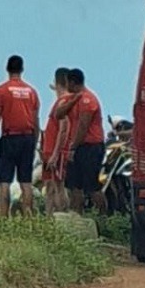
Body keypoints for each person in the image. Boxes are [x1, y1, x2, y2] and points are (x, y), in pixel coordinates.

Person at [0, 55, 40, 216]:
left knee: (4, 181)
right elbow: (36, 121)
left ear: (7, 69)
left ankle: (4, 217)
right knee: (26, 181)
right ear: (22, 69)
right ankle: (28, 217)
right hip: (28, 138)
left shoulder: (1, 91)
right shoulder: (32, 92)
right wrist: (34, 142)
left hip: (10, 137)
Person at [55, 69, 106, 213]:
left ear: (72, 82)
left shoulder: (88, 99)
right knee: (73, 184)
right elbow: (58, 114)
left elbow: (83, 127)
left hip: (91, 146)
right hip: (79, 146)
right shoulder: (75, 99)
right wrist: (72, 101)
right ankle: (76, 214)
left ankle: (103, 215)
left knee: (91, 186)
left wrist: (72, 148)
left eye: (67, 83)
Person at [40, 68, 71, 213]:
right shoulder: (62, 101)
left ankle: (60, 214)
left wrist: (55, 154)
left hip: (55, 151)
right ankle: (49, 215)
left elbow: (63, 128)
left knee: (58, 185)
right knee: (50, 185)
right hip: (49, 150)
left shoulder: (63, 102)